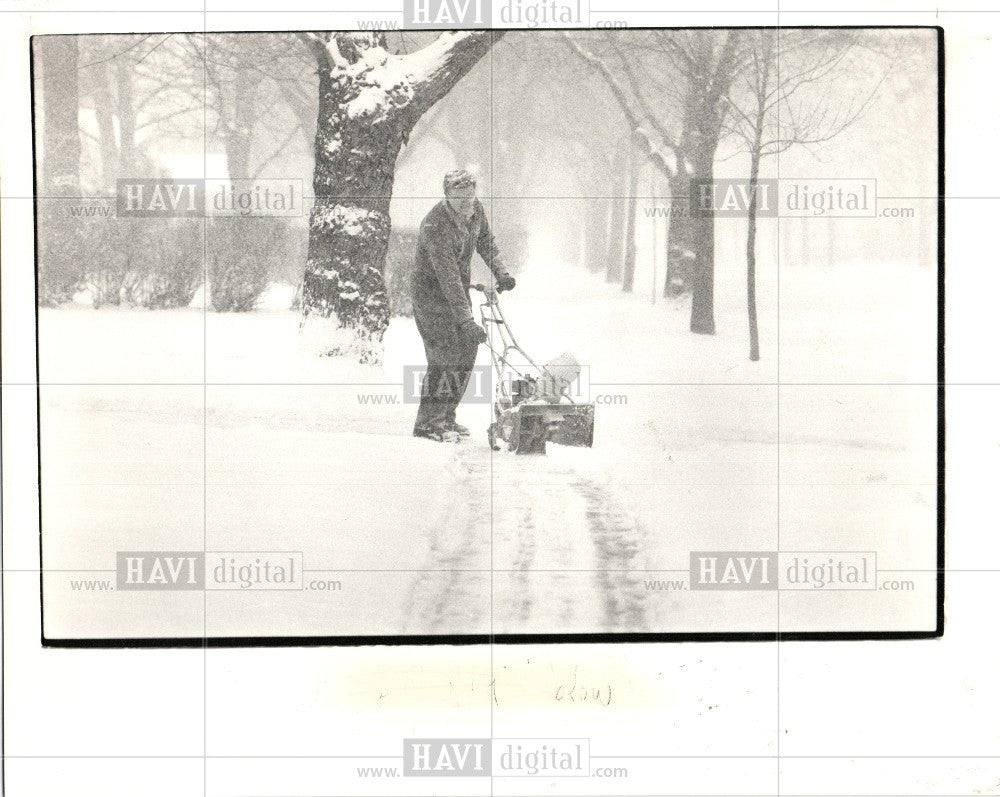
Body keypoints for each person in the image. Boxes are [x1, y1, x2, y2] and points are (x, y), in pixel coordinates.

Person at [411, 169, 516, 442]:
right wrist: (466, 321)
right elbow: (447, 278)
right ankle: (428, 424)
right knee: (443, 355)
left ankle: (446, 417)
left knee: (466, 351)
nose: (466, 203)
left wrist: (502, 273)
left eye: (470, 196)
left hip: (456, 291)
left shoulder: (476, 210)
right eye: (459, 199)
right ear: (447, 196)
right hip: (431, 297)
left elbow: (486, 242)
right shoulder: (435, 225)